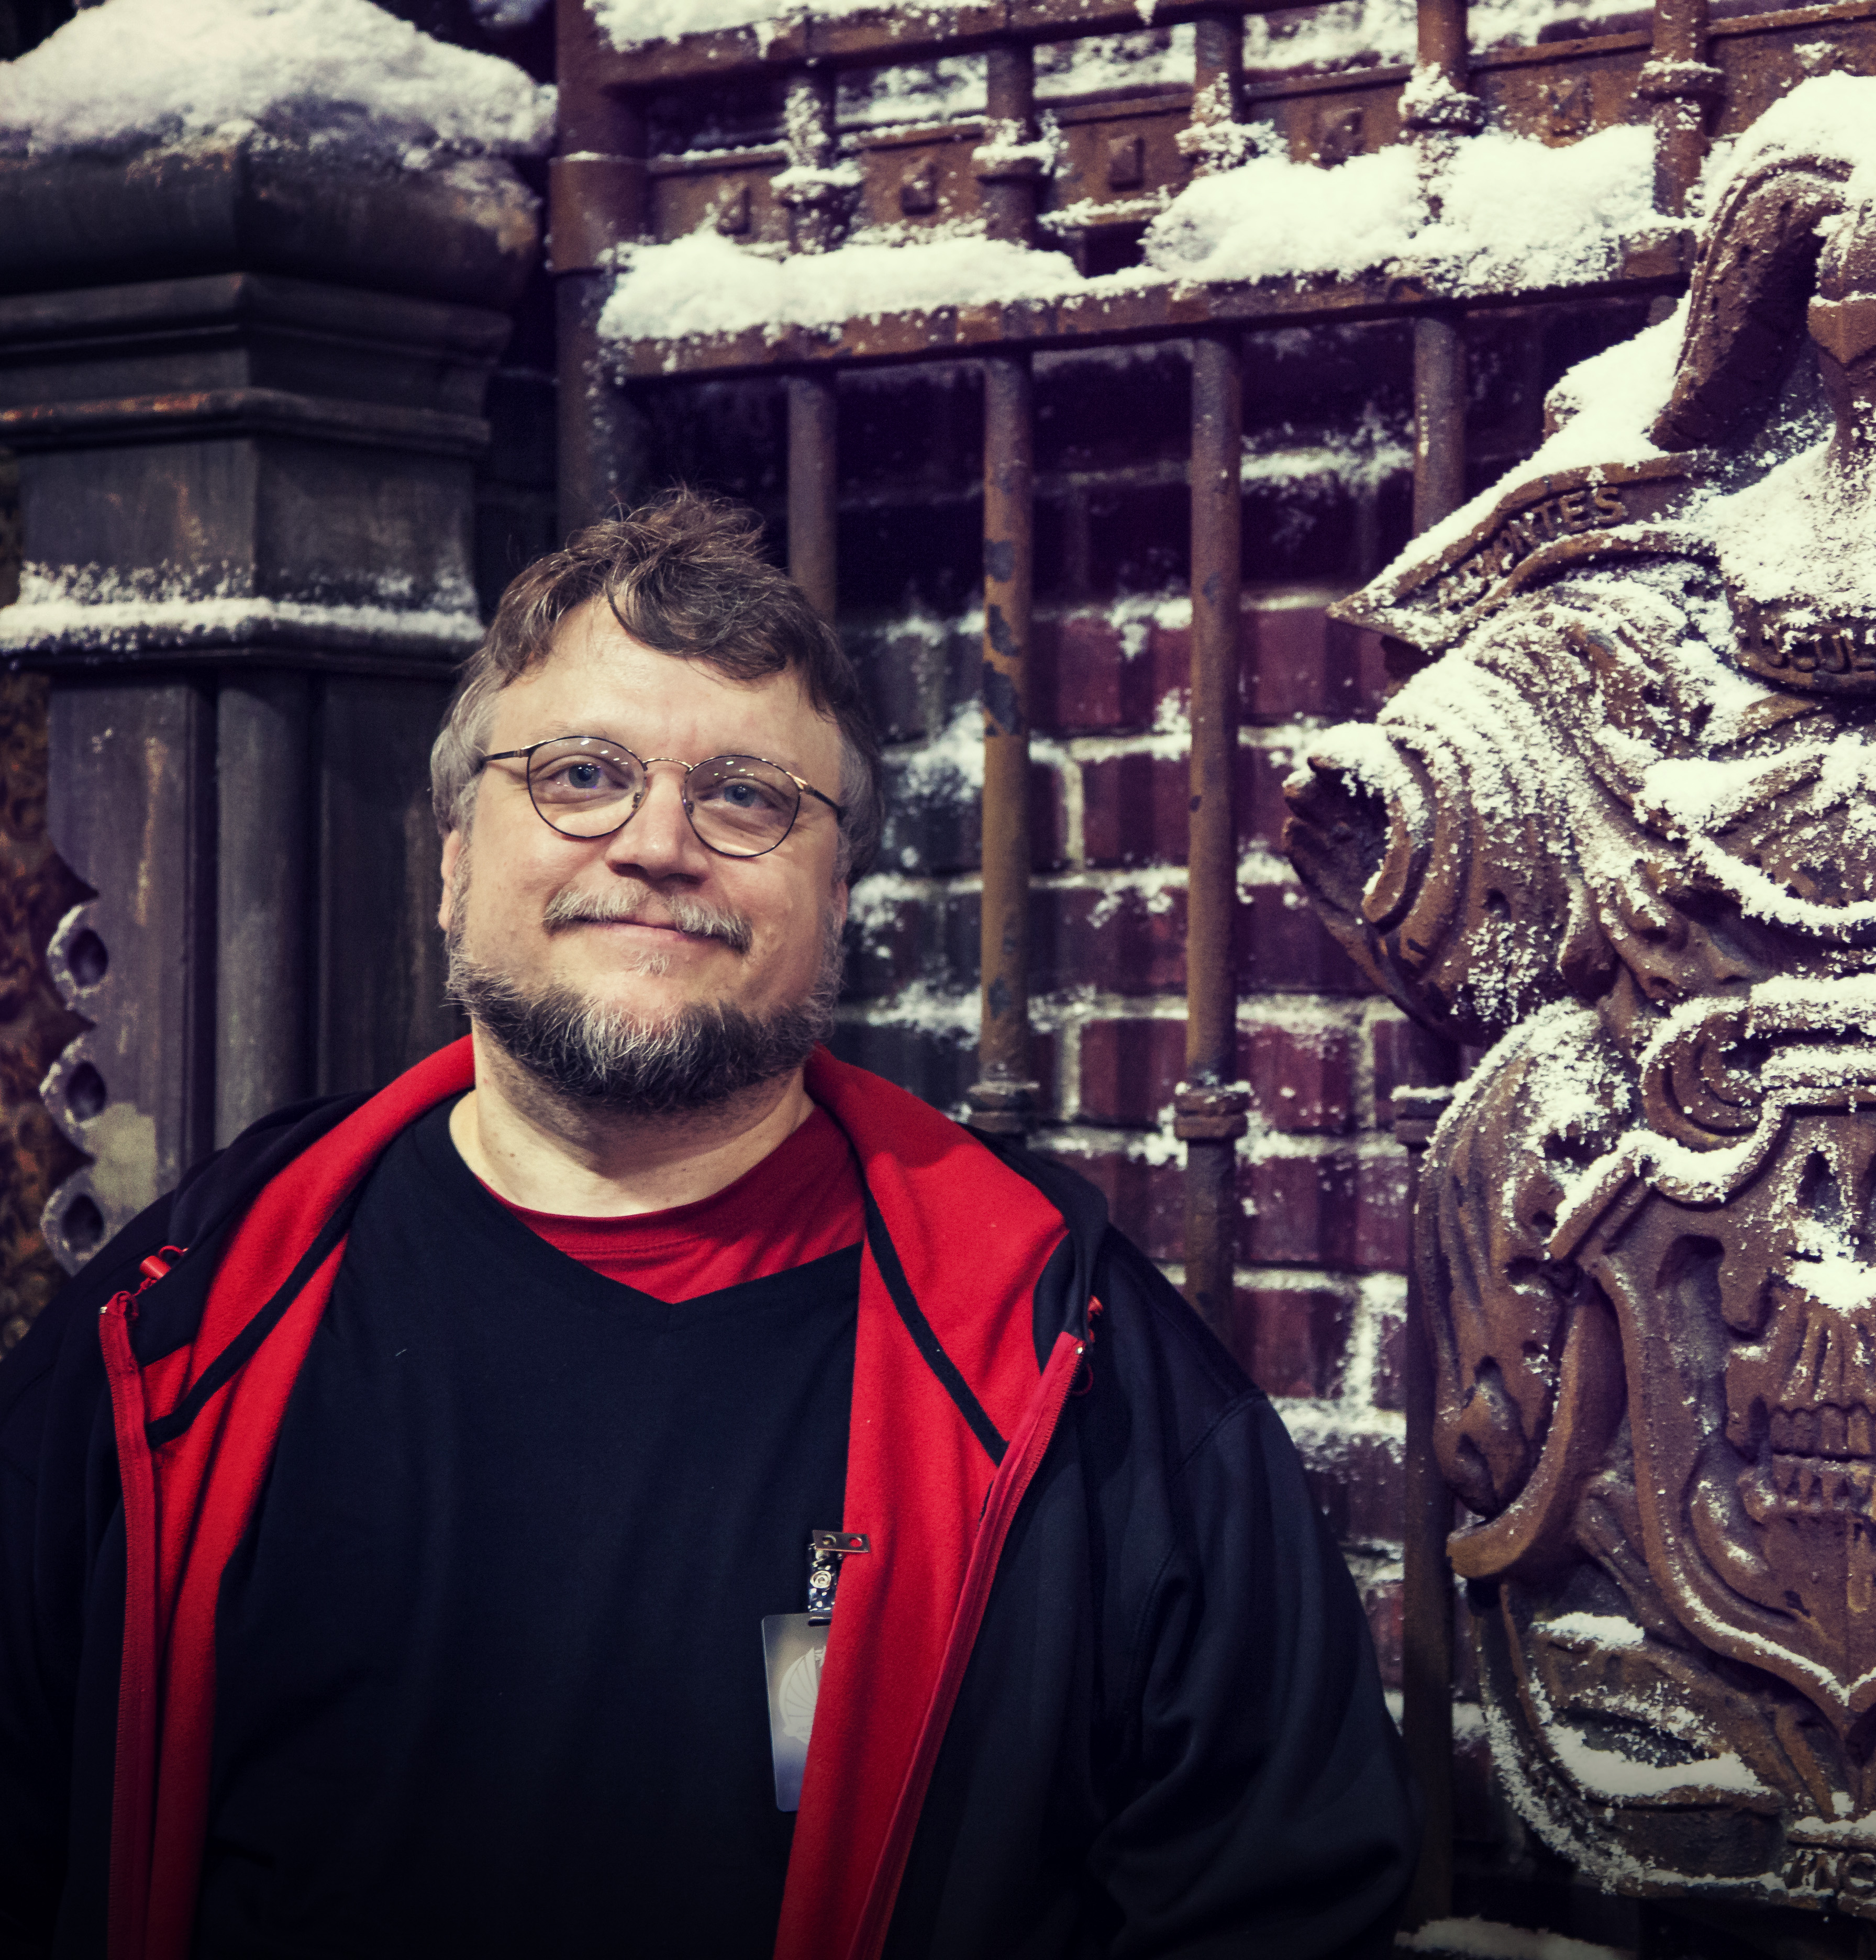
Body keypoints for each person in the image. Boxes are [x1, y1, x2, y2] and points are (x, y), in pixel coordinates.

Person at [0, 491, 1415, 1960]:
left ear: (840, 893)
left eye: (745, 796)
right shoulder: (179, 1323)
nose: (658, 843)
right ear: (449, 864)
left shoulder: (1074, 1370)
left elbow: (1277, 1904)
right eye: (581, 775)